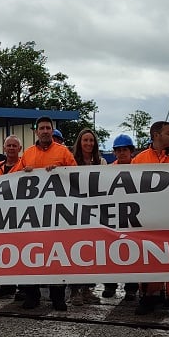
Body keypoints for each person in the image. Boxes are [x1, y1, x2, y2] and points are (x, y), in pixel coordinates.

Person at [13, 116, 77, 311]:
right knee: (32, 253)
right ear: (36, 131)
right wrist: (26, 171)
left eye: (48, 128)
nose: (45, 131)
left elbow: (76, 176)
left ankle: (58, 298)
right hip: (32, 214)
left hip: (57, 214)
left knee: (56, 255)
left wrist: (60, 171)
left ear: (52, 130)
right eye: (41, 128)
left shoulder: (63, 152)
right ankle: (32, 296)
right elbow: (15, 178)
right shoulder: (28, 154)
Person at [132, 121, 169, 319]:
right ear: (156, 135)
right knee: (149, 259)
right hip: (148, 220)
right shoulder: (138, 160)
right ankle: (148, 298)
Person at [69, 128, 107, 306]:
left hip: (94, 213)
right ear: (79, 142)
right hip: (75, 213)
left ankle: (87, 289)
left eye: (91, 140)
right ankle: (75, 291)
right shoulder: (70, 163)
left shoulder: (102, 162)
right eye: (85, 140)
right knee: (75, 251)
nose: (88, 144)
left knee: (91, 253)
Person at [102, 134, 139, 300]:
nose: (122, 153)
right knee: (112, 252)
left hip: (134, 217)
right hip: (114, 217)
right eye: (119, 150)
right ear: (115, 152)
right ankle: (110, 285)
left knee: (134, 252)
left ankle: (131, 287)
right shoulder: (107, 171)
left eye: (125, 149)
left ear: (131, 151)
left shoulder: (141, 168)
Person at [0, 135, 23, 298]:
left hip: (21, 213)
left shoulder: (26, 166)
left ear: (19, 149)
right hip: (0, 214)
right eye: (8, 145)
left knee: (21, 249)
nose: (11, 148)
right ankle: (7, 284)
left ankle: (24, 288)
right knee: (5, 250)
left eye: (15, 145)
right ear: (4, 148)